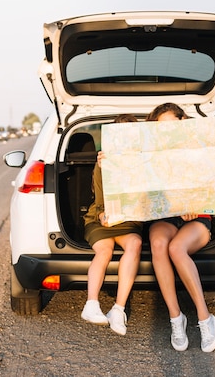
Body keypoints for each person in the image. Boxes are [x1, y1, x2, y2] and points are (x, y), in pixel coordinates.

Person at [146, 102, 215, 352]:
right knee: (159, 244)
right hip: (166, 216)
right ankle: (176, 318)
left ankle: (204, 316)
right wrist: (107, 162)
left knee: (177, 249)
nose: (167, 132)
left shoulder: (202, 147)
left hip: (198, 215)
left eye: (171, 125)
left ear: (182, 121)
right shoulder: (150, 154)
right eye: (161, 128)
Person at [80, 114, 144, 336]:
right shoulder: (103, 161)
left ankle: (118, 309)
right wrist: (102, 216)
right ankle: (91, 304)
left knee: (135, 244)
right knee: (104, 251)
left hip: (129, 222)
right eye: (120, 133)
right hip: (102, 218)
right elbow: (99, 199)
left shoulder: (143, 163)